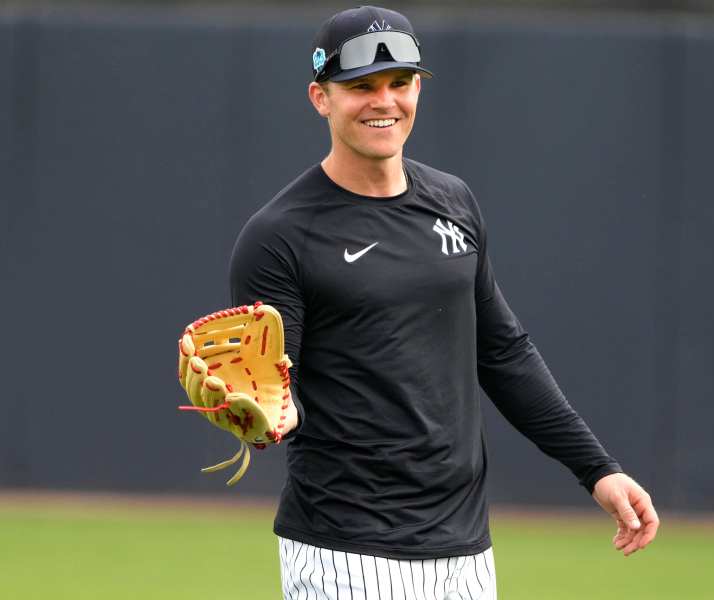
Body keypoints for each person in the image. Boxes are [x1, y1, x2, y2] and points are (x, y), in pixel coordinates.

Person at [229, 6, 659, 599]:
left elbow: (504, 352)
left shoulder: (452, 201)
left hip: (464, 548)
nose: (385, 101)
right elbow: (277, 402)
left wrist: (598, 469)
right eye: (361, 87)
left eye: (400, 83)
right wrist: (261, 414)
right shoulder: (279, 236)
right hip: (345, 547)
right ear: (320, 97)